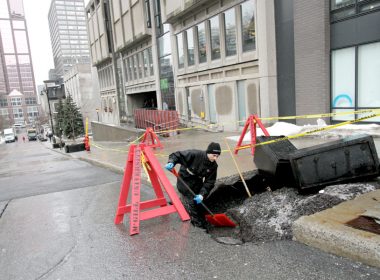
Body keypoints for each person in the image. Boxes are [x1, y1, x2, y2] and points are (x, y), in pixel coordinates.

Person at [165, 142, 221, 228]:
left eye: (217, 156)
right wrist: (171, 162)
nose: (215, 158)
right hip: (185, 178)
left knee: (199, 200)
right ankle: (198, 224)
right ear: (208, 152)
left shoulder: (213, 166)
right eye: (214, 155)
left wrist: (202, 195)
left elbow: (209, 182)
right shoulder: (194, 154)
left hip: (197, 180)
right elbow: (177, 155)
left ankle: (181, 202)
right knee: (190, 200)